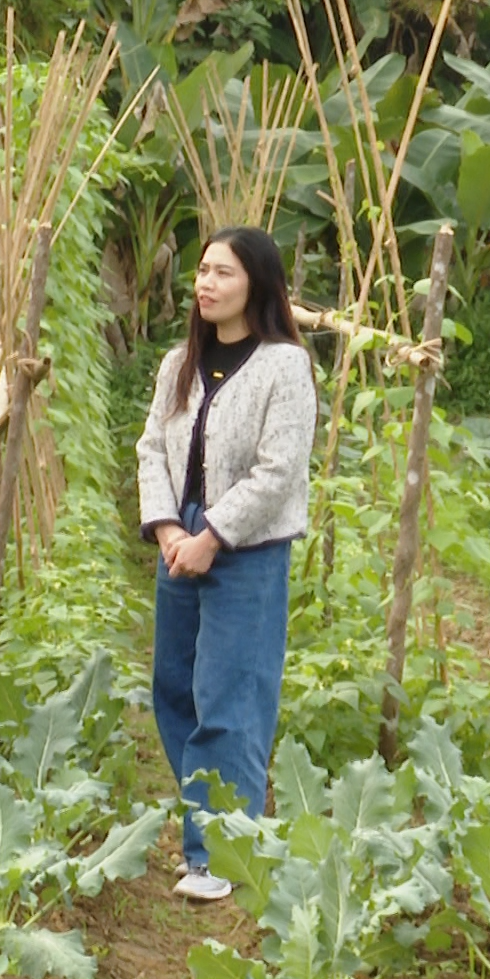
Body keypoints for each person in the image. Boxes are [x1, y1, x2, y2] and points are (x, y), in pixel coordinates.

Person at [135, 226, 315, 901]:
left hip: (247, 547)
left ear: (258, 286)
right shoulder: (177, 362)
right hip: (177, 539)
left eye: (224, 274)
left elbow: (277, 473)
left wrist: (212, 535)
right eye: (202, 271)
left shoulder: (283, 367)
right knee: (175, 688)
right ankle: (224, 814)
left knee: (230, 696)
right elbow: (153, 447)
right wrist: (165, 530)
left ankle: (217, 853)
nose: (206, 284)